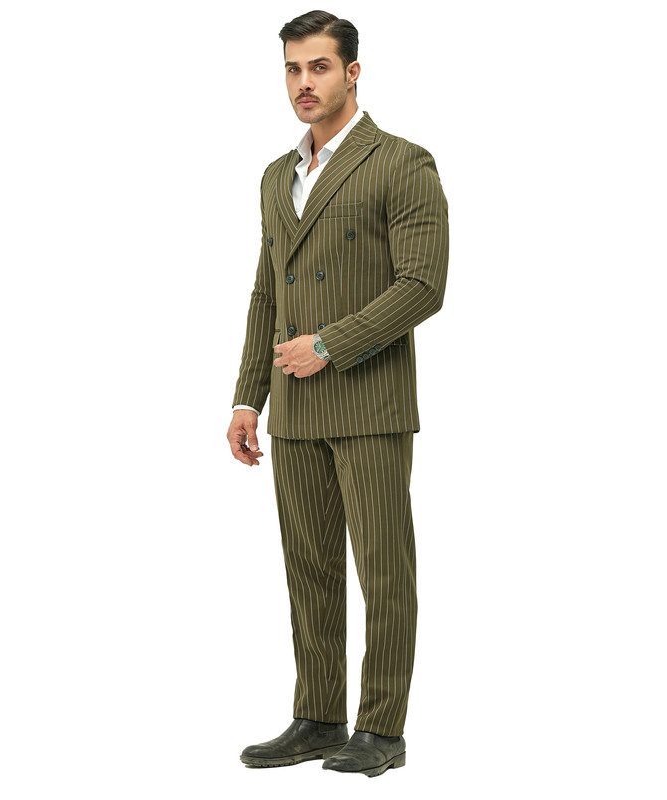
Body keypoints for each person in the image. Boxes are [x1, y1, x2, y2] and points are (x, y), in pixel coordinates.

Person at [227, 10, 449, 778]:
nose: (304, 83)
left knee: (384, 572)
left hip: (370, 402)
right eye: (293, 69)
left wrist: (328, 345)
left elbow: (422, 286)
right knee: (310, 570)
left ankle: (381, 730)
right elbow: (267, 294)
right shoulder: (275, 175)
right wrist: (247, 398)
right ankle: (319, 717)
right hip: (292, 410)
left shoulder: (403, 163)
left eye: (318, 67)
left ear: (352, 72)